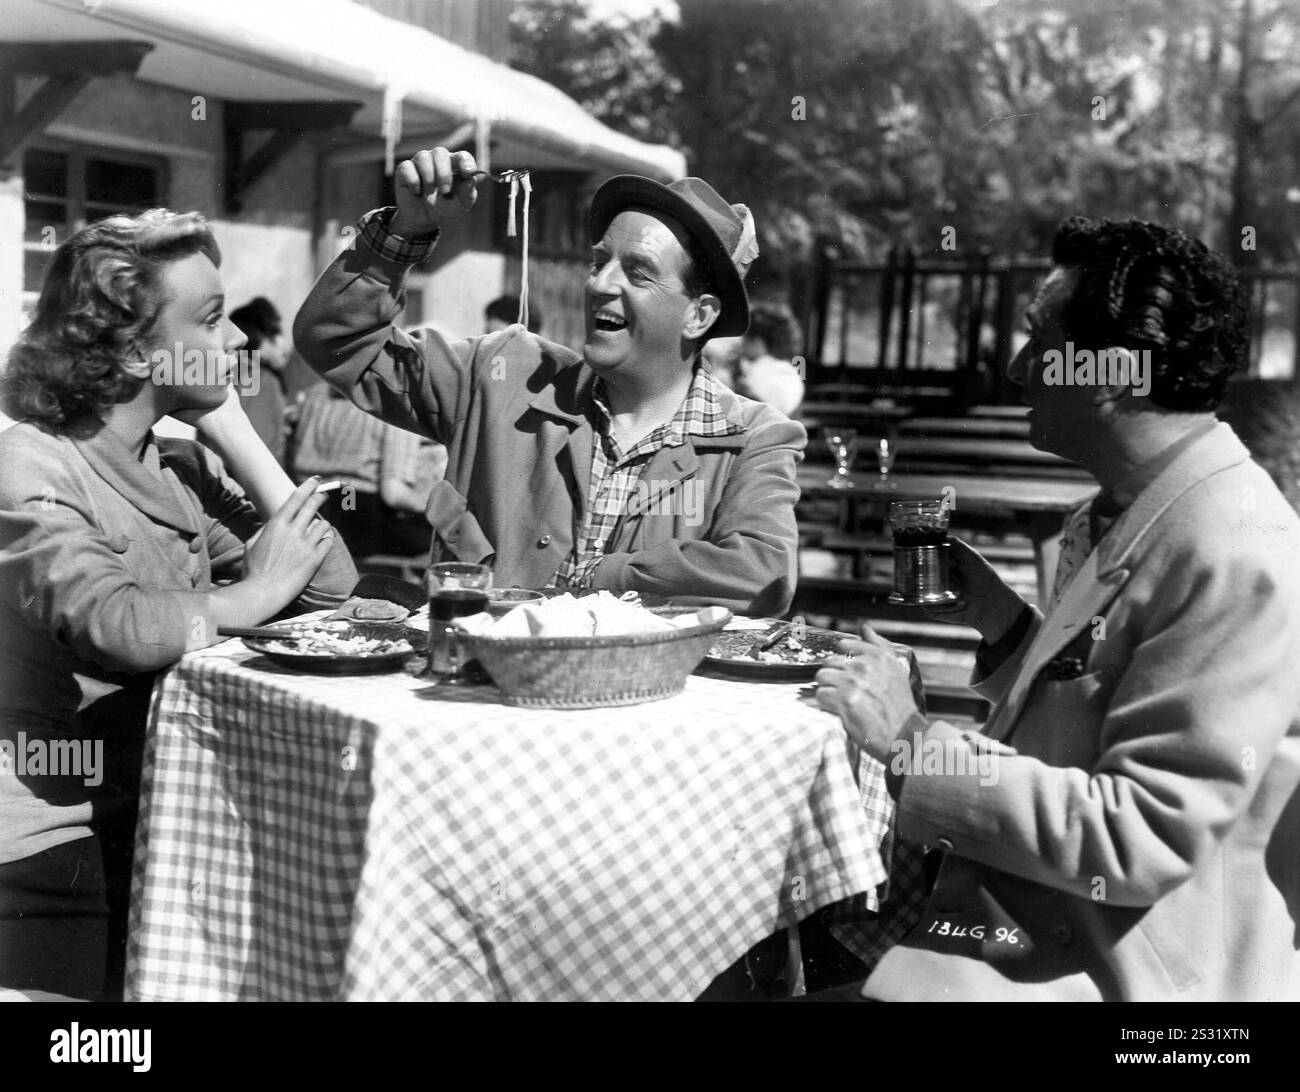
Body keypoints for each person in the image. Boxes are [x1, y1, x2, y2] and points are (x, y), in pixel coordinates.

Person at [813, 216, 1300, 1001]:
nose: (1015, 369)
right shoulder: (1132, 510)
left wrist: (911, 745)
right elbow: (1107, 709)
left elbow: (1139, 836)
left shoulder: (1237, 551)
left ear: (1111, 373)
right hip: (1019, 933)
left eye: (1040, 341)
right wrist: (1006, 628)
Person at [0, 210, 357, 1001]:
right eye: (211, 318)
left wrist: (241, 437)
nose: (239, 341)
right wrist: (255, 593)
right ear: (134, 351)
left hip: (161, 812)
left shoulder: (178, 469)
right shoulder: (30, 462)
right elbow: (116, 623)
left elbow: (331, 589)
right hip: (47, 841)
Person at [294, 147, 805, 614]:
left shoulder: (753, 438)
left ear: (699, 315)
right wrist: (404, 233)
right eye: (599, 262)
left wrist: (600, 577)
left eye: (639, 272)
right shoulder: (500, 375)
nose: (600, 285)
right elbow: (338, 343)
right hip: (477, 699)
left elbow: (765, 574)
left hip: (640, 708)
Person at [289, 382, 444, 559]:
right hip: (359, 510)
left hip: (310, 505)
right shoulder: (393, 402)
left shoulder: (315, 392)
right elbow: (393, 494)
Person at [230, 296, 292, 465]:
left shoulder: (229, 373)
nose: (283, 344)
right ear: (257, 338)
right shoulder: (263, 379)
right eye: (275, 334)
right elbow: (263, 448)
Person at [734, 304, 805, 417]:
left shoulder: (758, 372)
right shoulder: (791, 373)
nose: (742, 344)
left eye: (745, 338)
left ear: (757, 342)